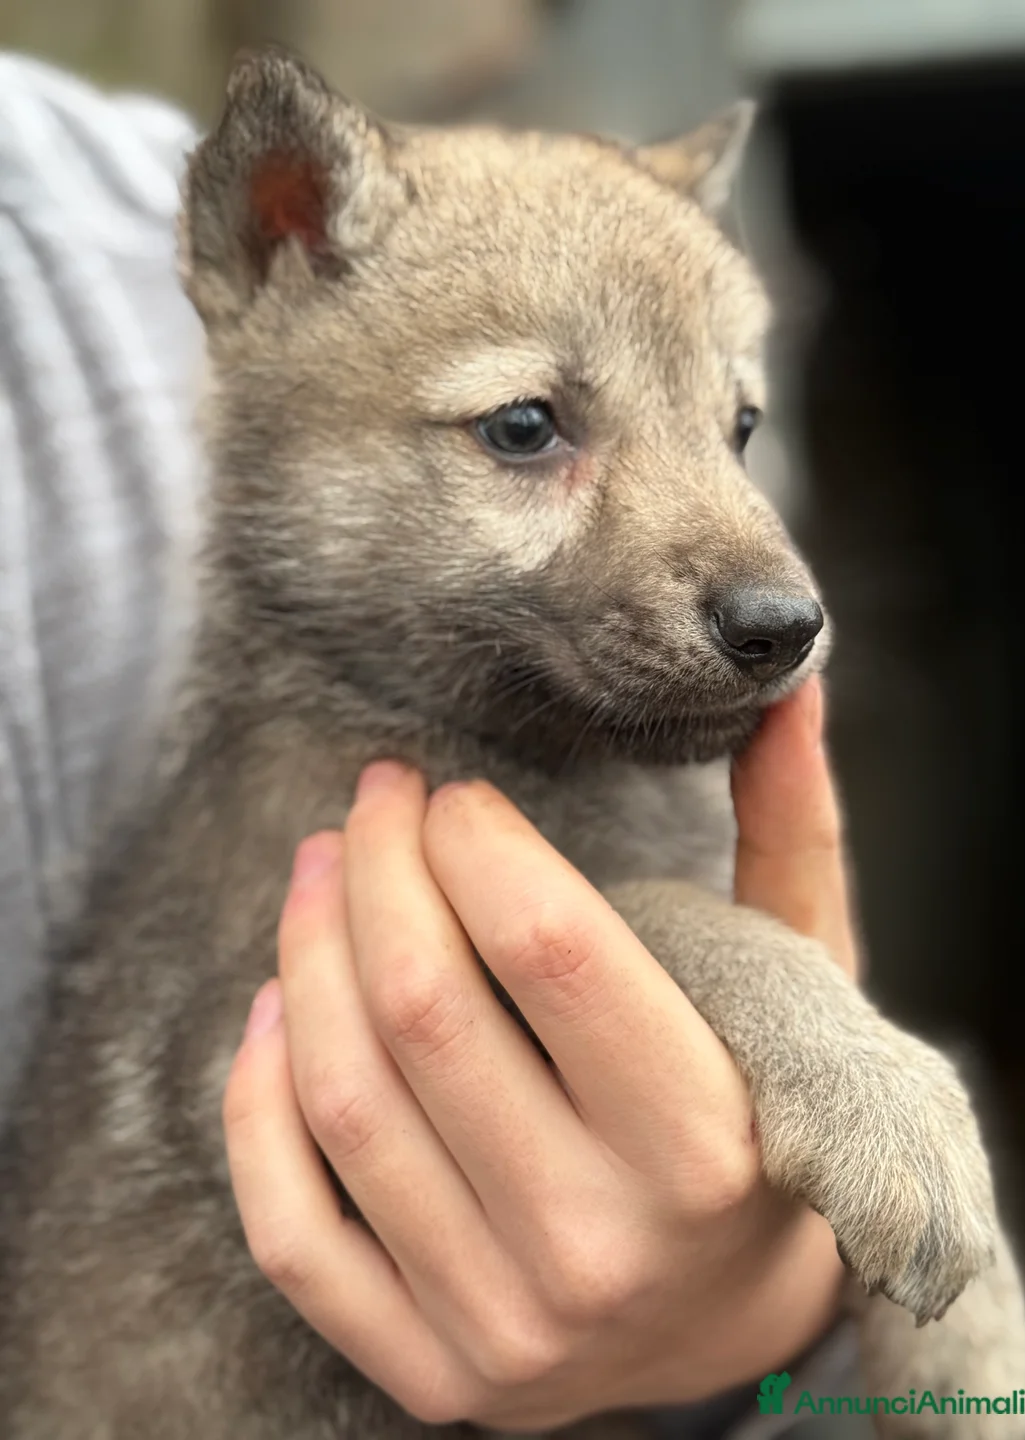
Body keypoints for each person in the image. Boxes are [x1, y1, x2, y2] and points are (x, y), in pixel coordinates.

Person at [0, 52, 867, 1438]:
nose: (770, 575)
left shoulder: (84, 210)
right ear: (277, 237)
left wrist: (770, 1323)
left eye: (732, 428)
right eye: (526, 429)